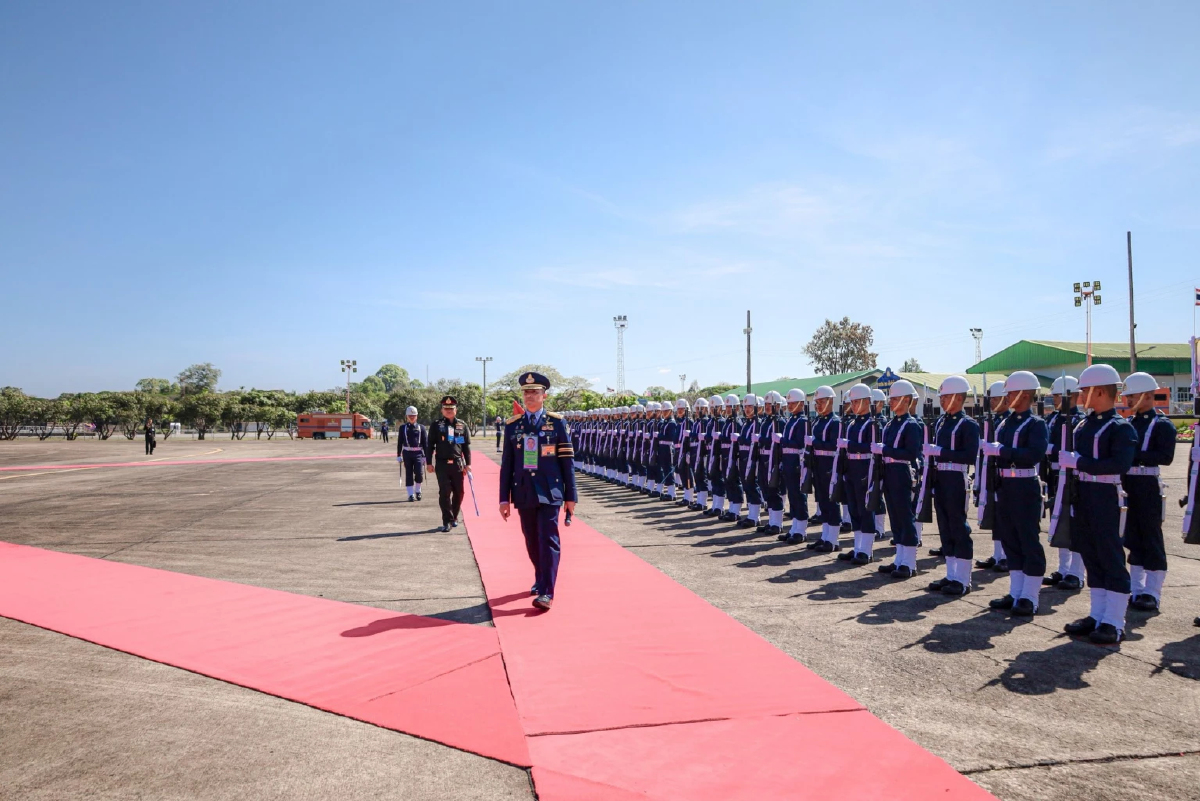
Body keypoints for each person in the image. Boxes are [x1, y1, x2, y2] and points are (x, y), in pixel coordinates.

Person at [1060, 365, 1138, 644]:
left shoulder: (1119, 427)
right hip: (1083, 494)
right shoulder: (1084, 424)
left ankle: (1115, 622)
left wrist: (1079, 462)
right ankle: (1098, 614)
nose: (1080, 395)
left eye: (1084, 390)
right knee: (1091, 554)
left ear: (1101, 391)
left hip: (1106, 495)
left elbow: (1119, 464)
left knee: (1110, 556)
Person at [498, 371, 577, 611]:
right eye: (526, 392)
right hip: (523, 492)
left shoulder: (557, 422)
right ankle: (541, 577)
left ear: (544, 395)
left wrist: (570, 496)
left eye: (534, 392)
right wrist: (503, 498)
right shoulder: (514, 426)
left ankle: (546, 592)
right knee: (532, 540)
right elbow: (507, 465)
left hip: (550, 491)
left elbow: (567, 461)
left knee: (548, 539)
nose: (529, 396)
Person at [982, 371, 1049, 617]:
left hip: (1024, 485)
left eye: (1011, 393)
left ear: (1025, 394)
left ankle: (1030, 597)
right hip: (1004, 486)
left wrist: (1003, 451)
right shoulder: (1005, 422)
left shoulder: (1035, 424)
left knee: (1028, 539)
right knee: (1010, 539)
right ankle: (1017, 591)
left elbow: (1034, 454)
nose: (1007, 397)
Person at [1120, 373, 1176, 612]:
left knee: (1151, 536)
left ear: (1146, 395)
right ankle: (1136, 588)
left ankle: (1152, 591)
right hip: (1128, 483)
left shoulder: (1161, 424)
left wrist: (1133, 456)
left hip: (1147, 484)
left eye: (1131, 395)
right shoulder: (1129, 424)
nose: (1128, 400)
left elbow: (1166, 457)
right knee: (1132, 536)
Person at [923, 376, 981, 596]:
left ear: (958, 397)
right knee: (945, 527)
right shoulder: (942, 421)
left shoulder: (968, 424)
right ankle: (951, 574)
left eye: (946, 396)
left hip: (956, 478)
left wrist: (940, 452)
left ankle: (963, 579)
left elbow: (969, 455)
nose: (943, 400)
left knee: (958, 526)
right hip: (939, 477)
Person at [873, 381, 923, 578]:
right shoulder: (891, 423)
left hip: (902, 472)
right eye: (891, 398)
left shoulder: (912, 425)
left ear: (906, 400)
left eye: (894, 398)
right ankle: (899, 559)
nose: (891, 402)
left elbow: (911, 453)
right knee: (895, 518)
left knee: (905, 517)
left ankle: (909, 563)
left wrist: (884, 450)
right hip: (889, 471)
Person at [1043, 375, 1086, 590]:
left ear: (1073, 396)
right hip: (1055, 475)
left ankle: (1076, 573)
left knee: (1076, 525)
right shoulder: (1052, 419)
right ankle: (1063, 568)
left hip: (1073, 476)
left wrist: (1054, 449)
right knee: (1059, 521)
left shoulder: (1079, 420)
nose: (1056, 399)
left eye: (1059, 395)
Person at [837, 384, 878, 564]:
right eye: (852, 402)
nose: (853, 405)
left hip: (865, 468)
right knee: (854, 509)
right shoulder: (853, 423)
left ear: (867, 402)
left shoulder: (873, 424)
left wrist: (849, 445)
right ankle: (858, 547)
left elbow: (872, 447)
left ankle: (866, 551)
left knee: (865, 510)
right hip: (852, 468)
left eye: (857, 401)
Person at [976, 380, 1012, 573]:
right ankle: (998, 554)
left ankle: (1006, 555)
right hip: (991, 471)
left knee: (1005, 518)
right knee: (995, 515)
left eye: (997, 398)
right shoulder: (994, 420)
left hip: (1005, 472)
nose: (992, 402)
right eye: (991, 399)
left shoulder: (1008, 420)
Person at [425, 395, 471, 532]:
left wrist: (468, 464)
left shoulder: (461, 425)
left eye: (451, 408)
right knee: (445, 492)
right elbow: (430, 446)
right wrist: (429, 463)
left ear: (456, 410)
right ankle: (447, 521)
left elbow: (466, 447)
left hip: (457, 463)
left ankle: (454, 517)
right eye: (446, 408)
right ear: (442, 410)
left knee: (460, 492)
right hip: (442, 464)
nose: (449, 410)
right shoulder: (436, 425)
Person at [808, 386, 842, 551]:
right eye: (817, 402)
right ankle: (825, 536)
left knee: (831, 502)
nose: (818, 405)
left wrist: (813, 442)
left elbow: (833, 445)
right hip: (818, 464)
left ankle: (833, 540)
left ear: (831, 401)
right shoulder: (819, 420)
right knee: (822, 502)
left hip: (829, 464)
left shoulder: (835, 422)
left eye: (821, 402)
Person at [778, 388, 810, 543]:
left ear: (801, 403)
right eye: (788, 403)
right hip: (788, 461)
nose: (789, 406)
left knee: (799, 496)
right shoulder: (792, 420)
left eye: (793, 403)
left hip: (797, 462)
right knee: (792, 496)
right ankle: (794, 528)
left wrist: (782, 440)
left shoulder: (802, 421)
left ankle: (801, 530)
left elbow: (800, 443)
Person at [398, 406, 427, 501]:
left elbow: (425, 443)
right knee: (409, 474)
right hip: (407, 453)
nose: (412, 417)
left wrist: (426, 456)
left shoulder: (421, 428)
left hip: (418, 453)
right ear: (406, 416)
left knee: (419, 473)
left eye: (413, 415)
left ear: (417, 416)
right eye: (410, 415)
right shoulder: (403, 428)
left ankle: (418, 491)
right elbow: (400, 442)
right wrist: (398, 455)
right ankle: (410, 494)